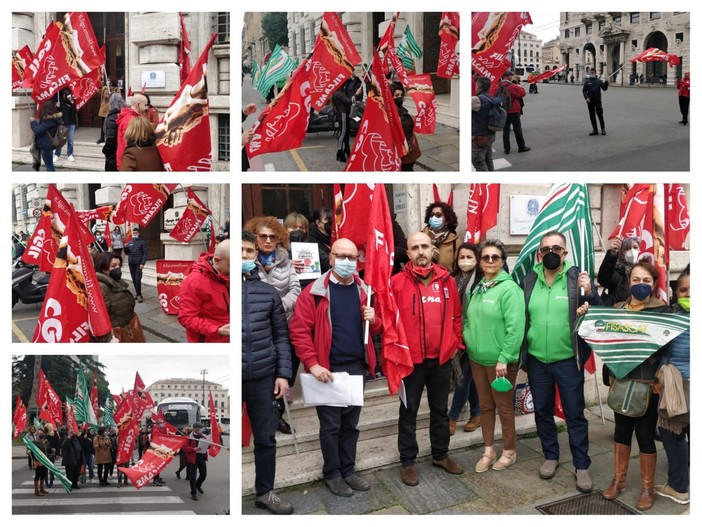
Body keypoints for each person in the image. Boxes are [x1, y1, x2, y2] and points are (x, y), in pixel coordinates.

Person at [289, 238, 381, 497]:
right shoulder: (314, 292)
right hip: (327, 370)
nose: (346, 262)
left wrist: (374, 321)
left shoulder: (365, 290)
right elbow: (299, 331)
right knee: (331, 426)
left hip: (356, 368)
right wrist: (313, 363)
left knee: (351, 424)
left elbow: (377, 329)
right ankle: (333, 473)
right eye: (341, 256)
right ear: (330, 258)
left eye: (351, 257)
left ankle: (348, 469)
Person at [520, 230, 601, 493]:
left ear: (565, 253)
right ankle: (551, 456)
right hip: (537, 361)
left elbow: (598, 315)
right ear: (539, 254)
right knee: (542, 411)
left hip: (568, 359)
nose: (551, 253)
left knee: (574, 414)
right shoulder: (529, 278)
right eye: (546, 250)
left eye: (557, 249)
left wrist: (590, 294)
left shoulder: (577, 279)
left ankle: (581, 465)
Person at [390, 231, 464, 486]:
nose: (420, 251)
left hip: (440, 360)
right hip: (411, 362)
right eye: (415, 248)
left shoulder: (447, 281)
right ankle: (407, 461)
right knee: (408, 411)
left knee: (440, 411)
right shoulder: (396, 283)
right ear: (408, 253)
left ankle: (440, 455)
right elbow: (389, 321)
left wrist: (454, 344)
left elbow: (456, 316)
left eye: (425, 246)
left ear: (433, 250)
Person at [601, 261, 671, 510]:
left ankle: (647, 487)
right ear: (628, 282)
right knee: (621, 432)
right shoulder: (618, 308)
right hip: (621, 382)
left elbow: (666, 348)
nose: (640, 285)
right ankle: (618, 480)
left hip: (648, 384)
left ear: (653, 285)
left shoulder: (663, 312)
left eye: (646, 281)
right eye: (636, 280)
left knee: (644, 434)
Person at [242, 230, 294, 514]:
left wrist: (283, 374)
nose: (245, 256)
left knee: (266, 438)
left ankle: (266, 492)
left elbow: (280, 336)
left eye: (250, 252)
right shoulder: (220, 288)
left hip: (263, 377)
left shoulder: (268, 292)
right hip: (233, 374)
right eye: (240, 251)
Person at [464, 240, 525, 472]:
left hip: (500, 362)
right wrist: (469, 340)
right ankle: (488, 450)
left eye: (495, 257)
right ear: (480, 262)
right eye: (485, 257)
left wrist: (505, 357)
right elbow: (468, 318)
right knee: (485, 407)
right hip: (477, 359)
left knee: (504, 408)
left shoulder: (510, 290)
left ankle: (509, 451)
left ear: (502, 261)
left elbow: (515, 328)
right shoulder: (479, 288)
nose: (490, 261)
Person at [243, 216, 301, 434]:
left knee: (286, 371)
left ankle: (278, 414)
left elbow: (296, 289)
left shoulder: (286, 260)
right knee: (266, 374)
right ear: (255, 238)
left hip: (284, 324)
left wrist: (275, 307)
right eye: (263, 236)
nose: (268, 240)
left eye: (272, 237)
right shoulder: (247, 260)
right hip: (259, 330)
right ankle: (265, 415)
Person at [655, 267, 690, 506]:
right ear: (675, 293)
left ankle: (678, 487)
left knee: (672, 435)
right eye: (684, 290)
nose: (688, 294)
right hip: (674, 383)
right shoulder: (671, 315)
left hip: (682, 386)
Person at [448, 243, 483, 435]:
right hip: (455, 336)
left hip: (472, 336)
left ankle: (452, 417)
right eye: (461, 257)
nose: (465, 261)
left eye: (469, 257)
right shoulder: (452, 279)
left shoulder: (479, 281)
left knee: (464, 378)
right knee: (470, 377)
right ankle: (476, 414)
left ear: (477, 259)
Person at [178, 239, 230, 342]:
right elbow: (186, 318)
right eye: (231, 265)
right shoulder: (193, 282)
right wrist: (217, 330)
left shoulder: (229, 273)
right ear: (216, 261)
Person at [92, 251, 140, 343]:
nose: (118, 268)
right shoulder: (101, 288)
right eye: (113, 266)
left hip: (127, 329)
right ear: (103, 268)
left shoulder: (116, 281)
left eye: (119, 265)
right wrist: (108, 339)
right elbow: (98, 320)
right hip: (116, 335)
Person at [597, 236, 640, 306]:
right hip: (619, 313)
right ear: (622, 253)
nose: (632, 251)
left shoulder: (647, 270)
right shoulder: (618, 272)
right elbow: (603, 280)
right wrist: (612, 254)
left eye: (635, 247)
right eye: (627, 248)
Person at [499, 70, 531, 154]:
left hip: (504, 110)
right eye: (510, 75)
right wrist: (519, 86)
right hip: (513, 110)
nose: (511, 77)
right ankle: (521, 147)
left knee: (505, 130)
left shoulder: (499, 86)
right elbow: (522, 93)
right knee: (517, 129)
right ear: (507, 76)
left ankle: (506, 148)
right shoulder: (512, 86)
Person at [421, 201, 460, 271]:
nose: (434, 218)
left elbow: (457, 268)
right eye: (432, 215)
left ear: (447, 220)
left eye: (438, 215)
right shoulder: (420, 236)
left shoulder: (454, 241)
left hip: (445, 280)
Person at [332, 73, 362, 162]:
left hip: (344, 114)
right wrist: (356, 94)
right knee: (342, 133)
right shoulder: (339, 93)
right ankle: (340, 151)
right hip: (343, 114)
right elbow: (349, 101)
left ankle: (347, 149)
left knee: (346, 133)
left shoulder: (339, 92)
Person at [472, 76, 499, 171]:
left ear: (478, 86)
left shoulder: (476, 100)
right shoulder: (490, 98)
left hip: (480, 137)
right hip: (490, 134)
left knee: (478, 162)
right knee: (488, 160)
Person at [116, 93, 148, 170]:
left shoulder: (134, 117)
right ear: (138, 105)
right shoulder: (130, 120)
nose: (147, 108)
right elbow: (128, 144)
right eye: (145, 105)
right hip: (129, 163)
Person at [30, 100, 63, 172]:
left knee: (49, 165)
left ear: (45, 108)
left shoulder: (49, 120)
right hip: (49, 144)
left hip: (45, 145)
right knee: (49, 163)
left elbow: (38, 130)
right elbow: (43, 128)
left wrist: (33, 122)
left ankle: (52, 182)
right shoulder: (55, 118)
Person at [182, 422, 209, 501]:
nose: (200, 429)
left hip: (201, 457)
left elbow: (208, 446)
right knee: (193, 477)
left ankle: (198, 485)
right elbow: (185, 448)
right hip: (193, 458)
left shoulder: (203, 436)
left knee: (203, 474)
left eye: (201, 428)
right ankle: (193, 493)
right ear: (195, 428)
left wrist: (209, 444)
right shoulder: (189, 437)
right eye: (199, 427)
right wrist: (193, 449)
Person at [102, 93, 126, 171]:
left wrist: (105, 150)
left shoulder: (111, 117)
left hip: (113, 154)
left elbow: (110, 138)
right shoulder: (125, 114)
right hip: (123, 151)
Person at [52, 88, 77, 163]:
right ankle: (57, 154)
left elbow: (74, 113)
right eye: (66, 95)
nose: (67, 96)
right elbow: (57, 113)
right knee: (60, 140)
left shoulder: (72, 101)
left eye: (69, 95)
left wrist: (72, 103)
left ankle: (70, 154)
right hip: (63, 123)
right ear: (63, 95)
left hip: (71, 123)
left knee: (70, 140)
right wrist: (57, 106)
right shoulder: (60, 102)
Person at [124, 226, 147, 303]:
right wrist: (125, 247)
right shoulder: (130, 242)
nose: (134, 234)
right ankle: (137, 294)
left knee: (138, 279)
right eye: (133, 233)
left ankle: (139, 295)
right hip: (131, 263)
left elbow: (145, 254)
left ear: (139, 233)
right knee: (134, 280)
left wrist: (142, 263)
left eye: (136, 233)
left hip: (138, 264)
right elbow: (127, 253)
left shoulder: (142, 242)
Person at [583, 70, 609, 135]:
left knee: (600, 115)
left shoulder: (599, 81)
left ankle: (603, 129)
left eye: (593, 73)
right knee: (592, 116)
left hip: (597, 101)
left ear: (595, 73)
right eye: (591, 73)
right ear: (589, 73)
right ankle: (595, 130)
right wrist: (586, 97)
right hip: (590, 101)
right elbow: (584, 90)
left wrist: (606, 82)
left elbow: (604, 88)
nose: (592, 74)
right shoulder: (587, 82)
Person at [308, 207, 333, 273]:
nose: (331, 222)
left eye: (332, 219)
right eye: (327, 220)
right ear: (318, 223)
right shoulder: (310, 242)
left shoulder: (335, 238)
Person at [97, 76, 120, 143]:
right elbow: (99, 92)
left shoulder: (117, 89)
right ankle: (102, 138)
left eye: (110, 80)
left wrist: (111, 93)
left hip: (112, 109)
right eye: (108, 80)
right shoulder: (105, 88)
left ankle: (110, 138)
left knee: (111, 124)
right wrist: (100, 85)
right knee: (103, 124)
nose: (109, 81)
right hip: (104, 109)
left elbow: (117, 97)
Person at [31, 429, 49, 497]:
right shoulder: (35, 442)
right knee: (37, 475)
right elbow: (30, 448)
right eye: (39, 433)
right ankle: (36, 491)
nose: (41, 434)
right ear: (37, 434)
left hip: (45, 461)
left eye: (42, 433)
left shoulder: (45, 441)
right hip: (38, 461)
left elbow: (47, 449)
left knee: (43, 475)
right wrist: (28, 451)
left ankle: (41, 489)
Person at [43, 424, 60, 488]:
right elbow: (44, 443)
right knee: (46, 468)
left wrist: (58, 453)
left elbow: (58, 444)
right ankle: (46, 480)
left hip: (52, 453)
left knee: (51, 467)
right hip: (45, 453)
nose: (45, 428)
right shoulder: (44, 434)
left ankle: (51, 480)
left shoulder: (54, 434)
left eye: (46, 427)